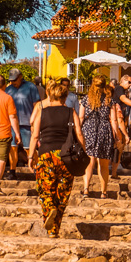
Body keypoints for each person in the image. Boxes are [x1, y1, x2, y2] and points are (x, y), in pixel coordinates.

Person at [28, 81, 85, 238]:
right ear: (65, 97)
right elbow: (79, 134)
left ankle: (49, 210)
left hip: (46, 155)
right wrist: (83, 152)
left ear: (50, 95)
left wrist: (31, 155)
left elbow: (34, 136)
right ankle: (54, 230)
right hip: (66, 157)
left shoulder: (42, 112)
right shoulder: (71, 112)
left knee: (45, 189)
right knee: (63, 193)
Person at [78, 75, 114, 197]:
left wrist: (78, 133)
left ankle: (86, 188)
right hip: (104, 130)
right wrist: (117, 136)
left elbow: (81, 117)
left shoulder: (86, 99)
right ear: (105, 86)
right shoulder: (109, 100)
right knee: (103, 164)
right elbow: (113, 120)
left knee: (89, 161)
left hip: (88, 129)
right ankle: (104, 192)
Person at [5, 68, 40, 179]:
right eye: (11, 80)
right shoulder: (8, 89)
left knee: (29, 148)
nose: (13, 83)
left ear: (20, 77)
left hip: (27, 124)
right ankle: (12, 171)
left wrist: (35, 123)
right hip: (11, 124)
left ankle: (37, 170)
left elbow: (37, 105)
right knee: (13, 148)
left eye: (14, 80)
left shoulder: (30, 87)